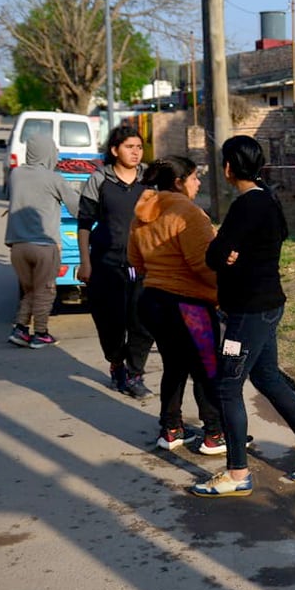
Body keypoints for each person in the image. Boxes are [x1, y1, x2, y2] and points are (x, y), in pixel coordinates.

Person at [191, 135, 295, 498]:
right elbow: (239, 250)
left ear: (227, 168)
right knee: (266, 377)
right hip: (266, 304)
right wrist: (230, 253)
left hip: (249, 312)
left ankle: (237, 473)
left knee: (227, 386)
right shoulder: (268, 198)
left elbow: (214, 256)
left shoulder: (246, 206)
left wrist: (227, 252)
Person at [127, 156, 226, 454]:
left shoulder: (143, 212)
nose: (198, 183)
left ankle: (170, 429)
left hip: (153, 300)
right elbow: (204, 265)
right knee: (206, 367)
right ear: (179, 182)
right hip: (189, 305)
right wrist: (225, 292)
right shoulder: (187, 212)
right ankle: (215, 434)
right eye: (194, 178)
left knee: (174, 365)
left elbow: (135, 261)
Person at [78, 125, 154, 398]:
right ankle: (116, 363)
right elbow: (84, 224)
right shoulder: (99, 180)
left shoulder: (150, 180)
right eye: (129, 147)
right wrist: (85, 262)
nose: (135, 152)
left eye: (138, 147)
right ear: (114, 150)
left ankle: (135, 375)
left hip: (143, 265)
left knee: (143, 321)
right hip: (106, 264)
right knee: (110, 323)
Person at [5, 134, 81, 348]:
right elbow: (77, 208)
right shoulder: (54, 178)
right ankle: (41, 333)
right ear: (48, 152)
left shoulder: (16, 174)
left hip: (17, 246)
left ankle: (20, 329)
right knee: (46, 290)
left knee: (30, 291)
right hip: (44, 246)